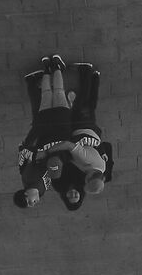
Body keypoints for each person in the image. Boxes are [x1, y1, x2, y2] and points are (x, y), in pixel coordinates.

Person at [17, 56, 75, 209]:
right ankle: (48, 68)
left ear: (26, 194)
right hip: (51, 133)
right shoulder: (42, 190)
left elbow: (27, 154)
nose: (33, 204)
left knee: (56, 93)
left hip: (49, 131)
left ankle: (54, 67)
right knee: (48, 94)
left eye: (29, 202)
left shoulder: (28, 177)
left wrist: (42, 153)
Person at [62, 62, 112, 211]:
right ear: (90, 178)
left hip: (93, 131)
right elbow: (72, 146)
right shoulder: (88, 163)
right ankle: (85, 70)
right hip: (83, 128)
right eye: (87, 181)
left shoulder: (101, 168)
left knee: (91, 105)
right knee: (82, 101)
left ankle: (95, 77)